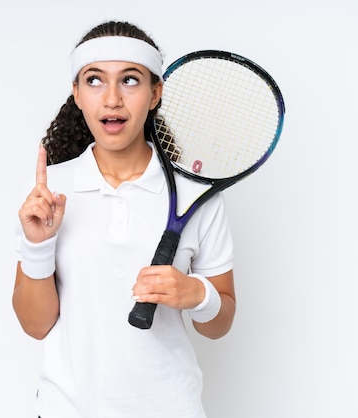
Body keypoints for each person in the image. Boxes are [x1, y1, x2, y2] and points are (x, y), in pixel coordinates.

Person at [12, 20, 236, 418]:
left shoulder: (196, 195)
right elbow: (36, 325)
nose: (112, 98)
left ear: (155, 94)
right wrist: (38, 244)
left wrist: (196, 294)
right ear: (77, 94)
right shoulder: (49, 193)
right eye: (95, 81)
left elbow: (219, 324)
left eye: (130, 80)